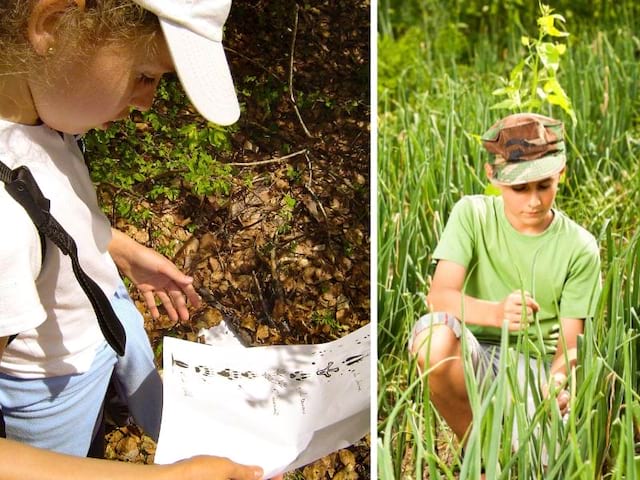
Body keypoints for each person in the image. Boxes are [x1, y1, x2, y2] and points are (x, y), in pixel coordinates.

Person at [0, 0, 267, 478]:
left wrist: (118, 248)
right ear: (54, 23)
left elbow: (53, 201)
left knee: (137, 373)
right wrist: (162, 478)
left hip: (102, 313)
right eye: (144, 75)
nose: (147, 102)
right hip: (53, 383)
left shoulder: (42, 114)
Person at [408, 113, 601, 446]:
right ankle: (479, 454)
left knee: (544, 462)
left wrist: (557, 380)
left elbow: (571, 342)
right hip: (472, 350)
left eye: (545, 185)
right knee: (432, 339)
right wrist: (497, 314)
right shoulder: (471, 214)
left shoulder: (579, 246)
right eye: (519, 188)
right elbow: (439, 298)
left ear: (561, 174)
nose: (534, 200)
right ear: (492, 176)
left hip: (535, 364)